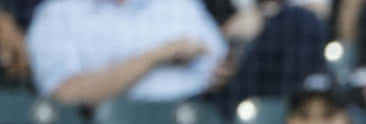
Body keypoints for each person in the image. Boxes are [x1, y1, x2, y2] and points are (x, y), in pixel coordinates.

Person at [27, 0, 324, 107]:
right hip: (135, 118)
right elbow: (65, 95)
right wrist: (156, 56)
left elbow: (217, 62)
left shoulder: (176, 4)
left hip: (210, 102)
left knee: (295, 22)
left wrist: (230, 58)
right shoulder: (58, 14)